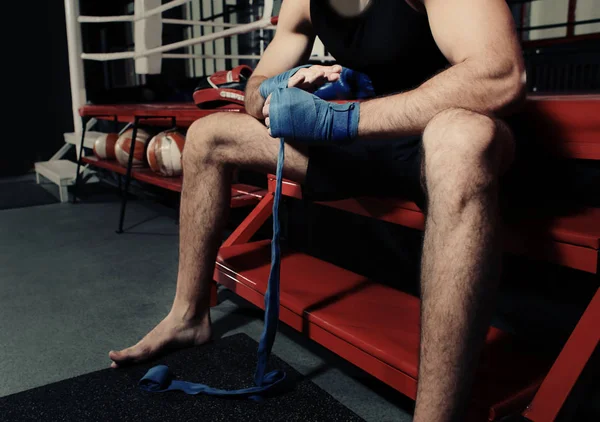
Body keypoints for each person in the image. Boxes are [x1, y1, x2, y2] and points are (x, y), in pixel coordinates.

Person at [109, 0, 526, 420]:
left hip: (442, 133)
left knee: (460, 139)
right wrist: (278, 88)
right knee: (207, 137)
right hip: (362, 136)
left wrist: (340, 119)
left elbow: (500, 74)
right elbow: (257, 85)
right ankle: (188, 315)